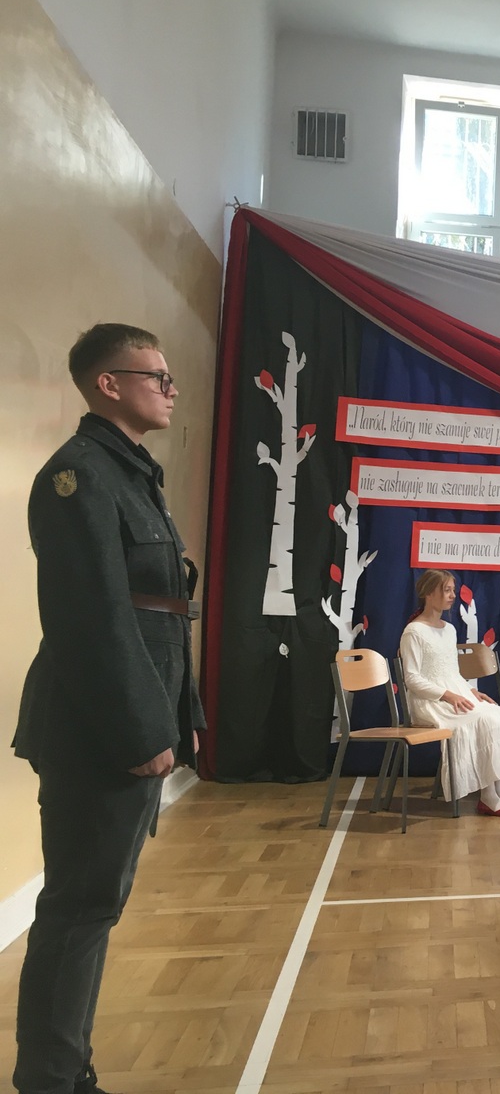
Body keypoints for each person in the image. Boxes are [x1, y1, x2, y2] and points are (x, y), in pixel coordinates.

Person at [12, 324, 204, 1094]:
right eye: (157, 376)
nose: (171, 389)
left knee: (93, 906)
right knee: (80, 909)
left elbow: (157, 611)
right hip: (97, 729)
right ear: (109, 384)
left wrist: (176, 715)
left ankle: (63, 1068)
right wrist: (141, 729)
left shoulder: (129, 474)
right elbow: (91, 619)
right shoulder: (80, 476)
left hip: (125, 718)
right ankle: (52, 1079)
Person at [398, 570, 500, 816]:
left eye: (453, 590)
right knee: (483, 720)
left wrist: (471, 691)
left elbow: (452, 672)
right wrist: (447, 695)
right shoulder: (413, 632)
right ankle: (488, 797)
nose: (452, 596)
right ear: (428, 593)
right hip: (430, 701)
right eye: (446, 590)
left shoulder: (449, 629)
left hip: (454, 694)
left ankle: (498, 793)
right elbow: (412, 678)